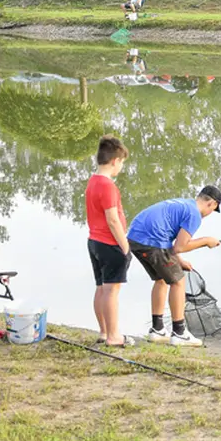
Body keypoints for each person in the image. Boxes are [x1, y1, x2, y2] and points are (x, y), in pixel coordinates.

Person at [125, 187, 221, 347]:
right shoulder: (194, 215)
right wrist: (206, 241)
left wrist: (179, 260)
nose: (211, 212)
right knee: (178, 281)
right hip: (151, 242)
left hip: (135, 240)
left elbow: (170, 240)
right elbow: (180, 246)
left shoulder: (184, 204)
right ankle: (179, 333)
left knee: (162, 279)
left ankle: (157, 330)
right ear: (211, 203)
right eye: (213, 209)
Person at [86, 136, 134, 347]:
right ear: (115, 160)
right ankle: (114, 336)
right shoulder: (107, 186)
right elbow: (113, 219)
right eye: (122, 162)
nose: (121, 167)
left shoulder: (93, 181)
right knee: (112, 291)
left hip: (94, 242)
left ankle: (104, 332)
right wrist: (125, 247)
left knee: (101, 289)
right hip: (109, 243)